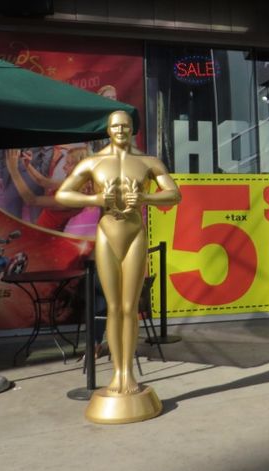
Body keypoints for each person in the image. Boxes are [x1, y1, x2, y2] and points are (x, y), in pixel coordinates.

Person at [56, 110, 181, 395]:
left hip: (135, 234)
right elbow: (63, 194)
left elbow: (174, 194)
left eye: (125, 125)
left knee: (129, 307)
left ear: (132, 128)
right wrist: (95, 198)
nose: (120, 130)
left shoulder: (148, 162)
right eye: (115, 126)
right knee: (113, 307)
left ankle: (128, 375)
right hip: (107, 234)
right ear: (108, 130)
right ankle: (118, 374)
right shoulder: (94, 161)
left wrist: (146, 196)